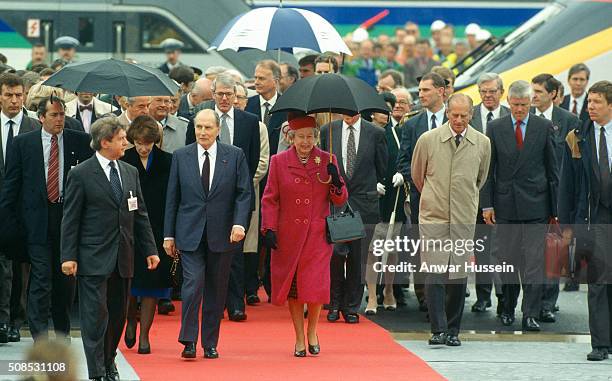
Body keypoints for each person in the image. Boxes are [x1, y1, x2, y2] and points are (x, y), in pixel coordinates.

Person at [60, 116, 160, 381]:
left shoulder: (129, 172)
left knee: (117, 315)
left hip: (123, 256)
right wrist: (68, 256)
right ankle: (97, 371)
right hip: (92, 257)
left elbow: (140, 214)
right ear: (105, 142)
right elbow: (70, 219)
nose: (126, 143)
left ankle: (109, 360)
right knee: (95, 316)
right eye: (121, 139)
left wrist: (150, 248)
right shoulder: (80, 174)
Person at [0, 96, 92, 342]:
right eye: (54, 115)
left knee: (64, 280)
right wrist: (8, 225)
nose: (60, 119)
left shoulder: (80, 141)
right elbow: (11, 185)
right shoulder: (23, 144)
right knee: (41, 278)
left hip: (67, 219)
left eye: (62, 114)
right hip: (36, 221)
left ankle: (62, 333)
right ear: (41, 117)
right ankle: (39, 335)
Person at [163, 109, 251, 360]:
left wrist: (239, 224)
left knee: (216, 289)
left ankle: (210, 343)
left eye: (207, 128)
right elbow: (173, 198)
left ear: (217, 130)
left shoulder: (234, 156)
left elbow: (244, 193)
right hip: (188, 233)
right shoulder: (181, 156)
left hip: (222, 233)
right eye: (199, 127)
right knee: (193, 284)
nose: (202, 132)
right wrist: (168, 234)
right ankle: (188, 340)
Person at [261, 115, 347, 356]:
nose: (306, 141)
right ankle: (299, 336)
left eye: (310, 136)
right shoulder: (278, 161)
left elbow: (340, 199)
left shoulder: (328, 160)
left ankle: (313, 331)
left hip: (317, 234)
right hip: (288, 234)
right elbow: (270, 198)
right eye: (301, 137)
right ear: (291, 137)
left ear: (316, 137)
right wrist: (268, 228)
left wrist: (336, 181)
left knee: (315, 286)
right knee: (295, 289)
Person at [412, 93, 491, 347]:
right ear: (447, 113)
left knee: (457, 275)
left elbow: (481, 178)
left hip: (463, 218)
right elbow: (418, 175)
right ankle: (437, 329)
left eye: (463, 115)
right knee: (434, 274)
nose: (458, 120)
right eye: (454, 115)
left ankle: (454, 330)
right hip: (434, 216)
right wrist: (435, 199)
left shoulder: (482, 142)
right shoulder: (428, 140)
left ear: (471, 115)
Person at [480, 80, 558, 332]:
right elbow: (488, 171)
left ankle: (530, 313)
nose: (519, 110)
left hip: (537, 206)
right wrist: (487, 205)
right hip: (505, 205)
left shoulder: (543, 127)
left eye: (524, 105)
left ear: (531, 102)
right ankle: (507, 308)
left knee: (535, 262)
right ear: (508, 102)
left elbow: (553, 171)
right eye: (515, 105)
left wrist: (555, 212)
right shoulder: (495, 127)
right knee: (508, 261)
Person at [558, 80, 612, 361]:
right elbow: (566, 184)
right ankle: (600, 344)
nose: (590, 106)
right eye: (589, 101)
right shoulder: (577, 137)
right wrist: (566, 225)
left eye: (597, 102)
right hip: (593, 217)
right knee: (599, 281)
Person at [320, 112, 388, 324]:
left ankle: (351, 307)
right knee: (336, 256)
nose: (348, 115)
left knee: (359, 258)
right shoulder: (328, 131)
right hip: (337, 202)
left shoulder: (375, 133)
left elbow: (382, 167)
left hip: (364, 204)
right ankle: (334, 303)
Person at [121, 115, 172, 355]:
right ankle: (131, 321)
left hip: (158, 230)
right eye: (139, 142)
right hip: (130, 230)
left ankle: (145, 335)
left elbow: (174, 199)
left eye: (148, 143)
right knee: (131, 284)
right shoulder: (125, 159)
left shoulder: (167, 161)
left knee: (153, 284)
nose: (143, 147)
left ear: (155, 141)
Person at [397, 72, 448, 312]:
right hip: (422, 198)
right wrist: (424, 184)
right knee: (423, 248)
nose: (421, 95)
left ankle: (447, 297)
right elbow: (403, 161)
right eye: (419, 91)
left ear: (441, 91)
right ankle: (425, 298)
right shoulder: (411, 124)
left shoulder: (456, 119)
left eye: (426, 90)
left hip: (451, 199)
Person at [0, 73, 41, 344]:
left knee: (20, 269)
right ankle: (2, 320)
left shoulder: (34, 127)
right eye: (9, 95)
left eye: (18, 95)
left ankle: (15, 320)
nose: (15, 100)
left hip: (24, 211)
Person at [469, 72, 510, 314]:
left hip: (503, 192)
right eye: (483, 92)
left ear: (501, 92)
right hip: (474, 191)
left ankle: (504, 296)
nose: (487, 96)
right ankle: (483, 296)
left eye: (492, 91)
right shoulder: (469, 114)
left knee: (503, 249)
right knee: (481, 247)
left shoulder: (509, 114)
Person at [234, 82, 270, 306]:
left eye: (240, 96)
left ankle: (250, 287)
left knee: (250, 243)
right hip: (220, 195)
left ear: (247, 101)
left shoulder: (258, 126)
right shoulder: (217, 123)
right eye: (232, 96)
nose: (236, 100)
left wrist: (243, 185)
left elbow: (262, 161)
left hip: (249, 191)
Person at [246, 60, 287, 156]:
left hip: (278, 163)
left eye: (261, 78)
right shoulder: (247, 105)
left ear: (275, 81)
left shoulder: (287, 107)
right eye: (255, 78)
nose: (256, 82)